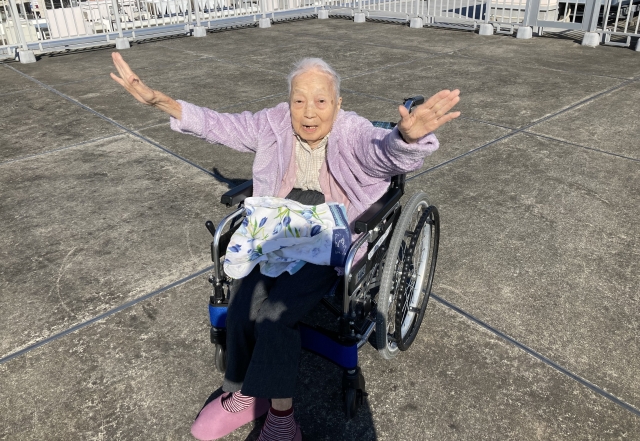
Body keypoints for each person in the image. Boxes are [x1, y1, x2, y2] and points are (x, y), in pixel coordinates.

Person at [110, 52, 460, 441]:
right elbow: (220, 125)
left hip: (331, 232)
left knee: (275, 315)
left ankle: (282, 420)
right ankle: (245, 394)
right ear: (288, 101)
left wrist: (406, 139)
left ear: (338, 103)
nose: (309, 112)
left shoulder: (352, 131)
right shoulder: (274, 124)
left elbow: (381, 153)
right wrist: (160, 101)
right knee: (241, 304)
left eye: (321, 101)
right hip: (277, 226)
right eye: (299, 100)